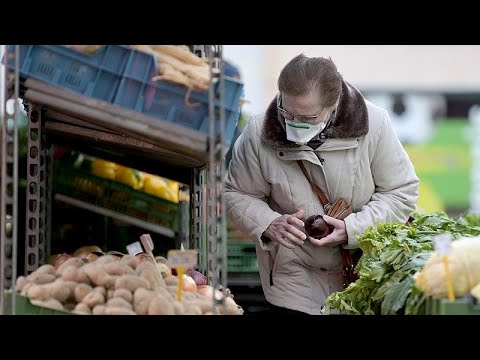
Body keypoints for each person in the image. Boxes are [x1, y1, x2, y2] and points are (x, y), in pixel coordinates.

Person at [224, 54, 419, 315]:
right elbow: (237, 192)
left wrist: (353, 229)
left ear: (333, 105)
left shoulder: (376, 124)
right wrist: (268, 222)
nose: (293, 124)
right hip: (292, 283)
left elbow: (401, 193)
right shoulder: (258, 132)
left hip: (363, 279)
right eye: (286, 112)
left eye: (307, 118)